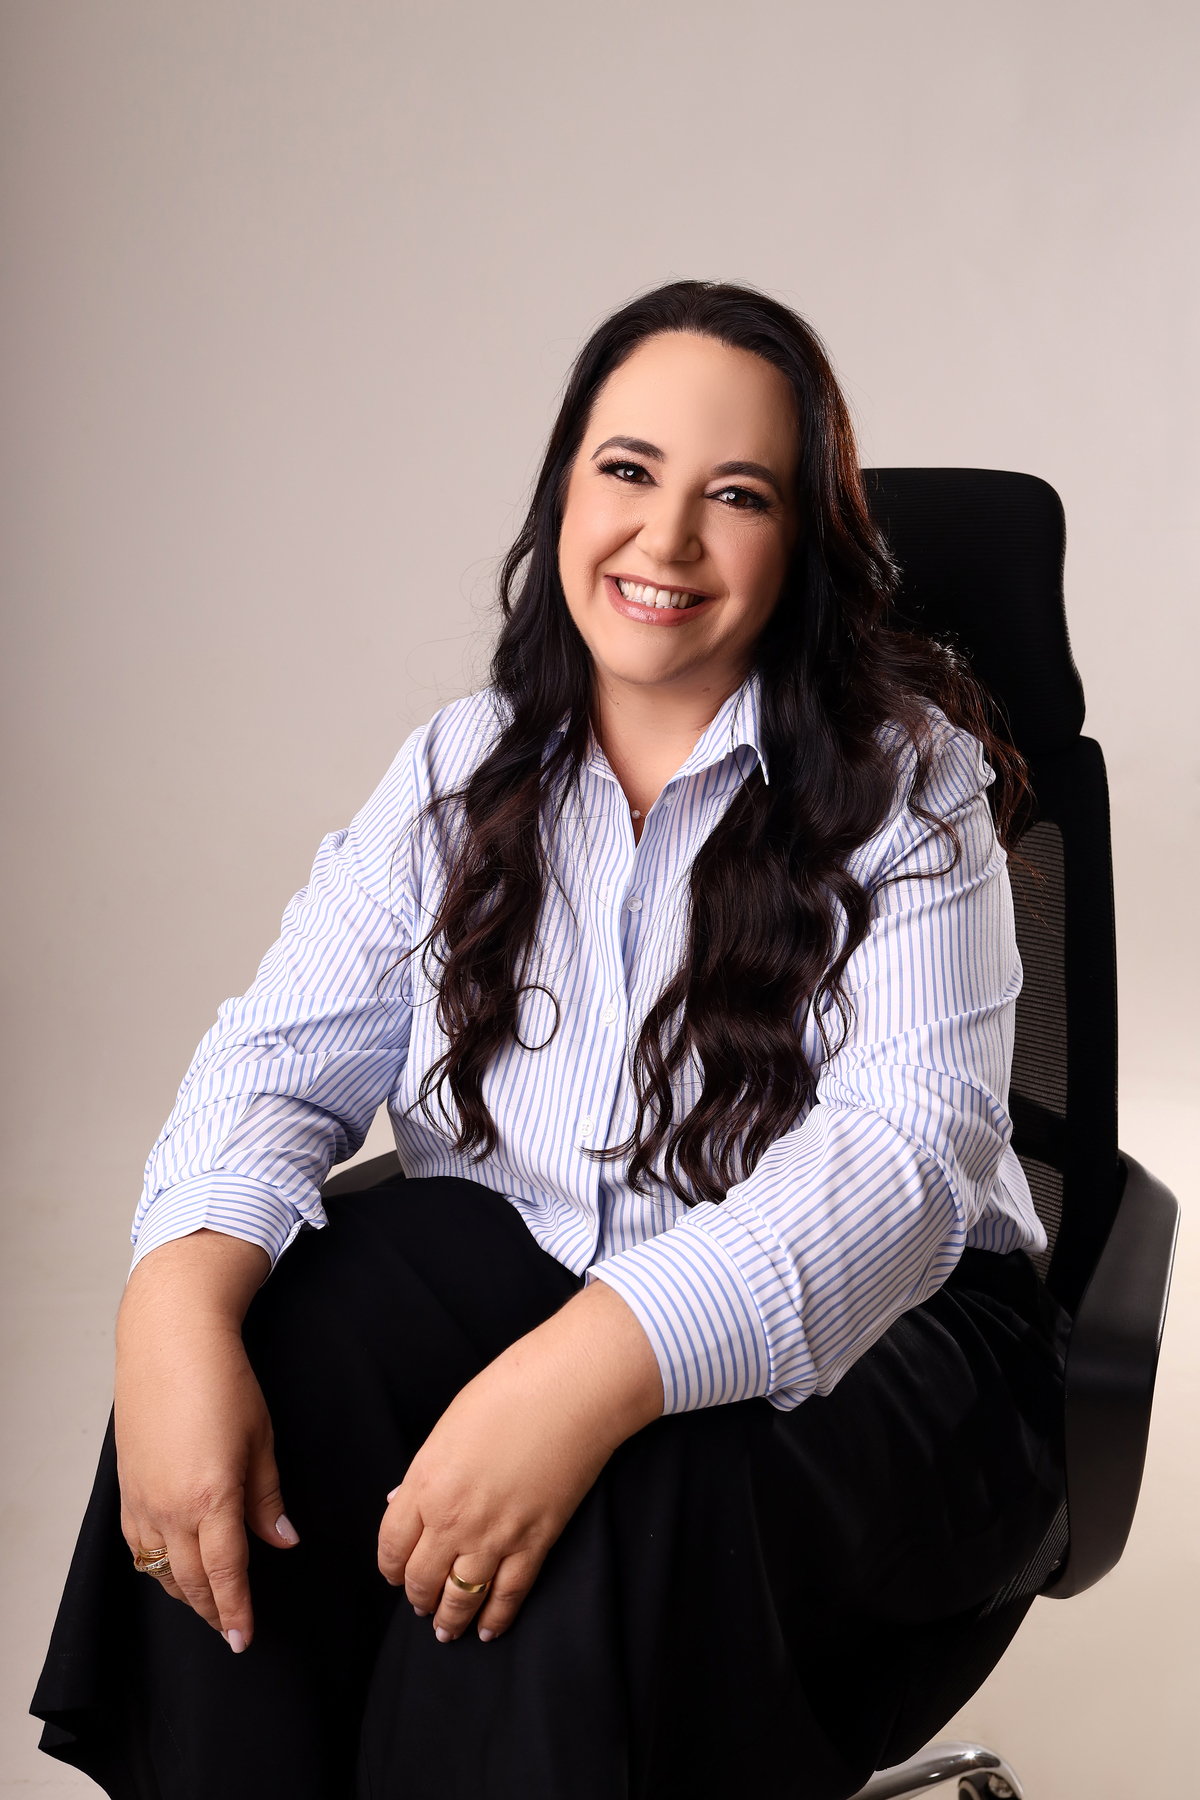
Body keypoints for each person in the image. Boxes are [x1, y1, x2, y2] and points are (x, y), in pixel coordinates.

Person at [32, 281, 1066, 1800]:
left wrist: (588, 1374)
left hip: (901, 1355)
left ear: (802, 548)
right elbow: (275, 1059)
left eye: (738, 496)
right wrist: (171, 1311)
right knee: (268, 1359)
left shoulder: (910, 788)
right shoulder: (461, 768)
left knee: (601, 1517)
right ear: (563, 492)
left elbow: (902, 1160)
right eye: (628, 470)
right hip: (538, 1264)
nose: (667, 538)